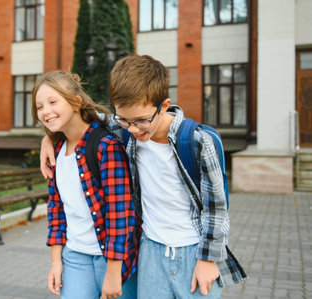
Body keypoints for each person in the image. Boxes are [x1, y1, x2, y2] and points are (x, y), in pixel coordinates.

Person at [40, 55, 247, 298]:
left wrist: (208, 260)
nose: (133, 129)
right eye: (124, 120)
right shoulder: (124, 129)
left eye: (140, 121)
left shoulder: (198, 141)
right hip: (149, 251)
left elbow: (216, 209)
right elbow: (82, 120)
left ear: (164, 105)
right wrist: (49, 137)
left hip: (194, 251)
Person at [32, 70, 139, 299]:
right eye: (40, 106)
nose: (46, 111)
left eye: (53, 102)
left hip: (111, 257)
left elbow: (120, 212)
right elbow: (57, 209)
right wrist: (56, 262)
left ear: (76, 102)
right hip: (75, 257)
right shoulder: (56, 151)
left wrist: (113, 270)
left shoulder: (104, 146)